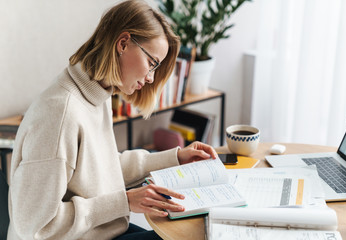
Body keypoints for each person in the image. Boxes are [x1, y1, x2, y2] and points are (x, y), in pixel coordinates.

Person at [7, 1, 218, 239]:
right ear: (123, 43)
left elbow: (100, 169)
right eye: (152, 64)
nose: (151, 79)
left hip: (103, 231)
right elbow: (33, 226)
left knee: (193, 229)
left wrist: (175, 158)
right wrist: (124, 202)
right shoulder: (60, 115)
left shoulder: (98, 93)